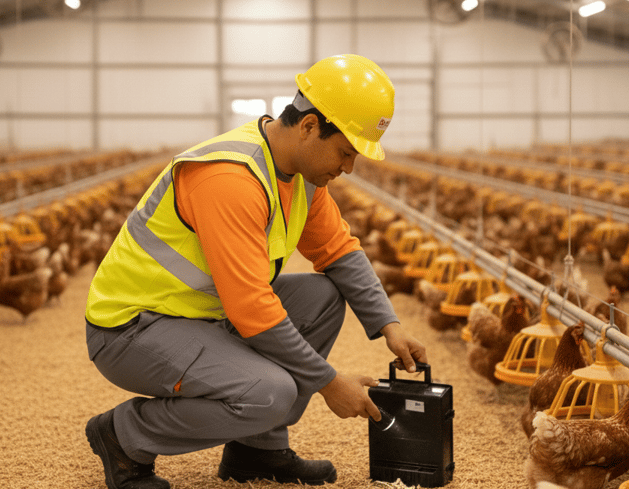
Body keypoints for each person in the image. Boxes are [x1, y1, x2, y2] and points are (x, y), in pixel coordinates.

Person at [84, 53, 428, 489]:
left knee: (322, 299)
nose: (348, 168)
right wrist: (329, 383)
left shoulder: (299, 173)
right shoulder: (230, 178)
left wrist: (388, 325)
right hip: (133, 327)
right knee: (271, 392)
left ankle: (256, 451)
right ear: (308, 127)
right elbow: (252, 309)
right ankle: (123, 436)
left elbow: (337, 250)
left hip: (200, 313)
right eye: (345, 152)